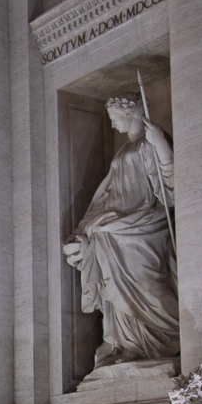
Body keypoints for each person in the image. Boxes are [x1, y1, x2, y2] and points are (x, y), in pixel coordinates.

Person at [63, 96, 178, 366]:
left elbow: (169, 185)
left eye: (116, 118)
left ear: (130, 114)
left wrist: (161, 142)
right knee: (112, 283)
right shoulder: (123, 150)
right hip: (112, 225)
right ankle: (127, 343)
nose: (113, 125)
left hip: (143, 224)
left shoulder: (150, 143)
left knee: (146, 282)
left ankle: (171, 332)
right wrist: (83, 230)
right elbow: (106, 195)